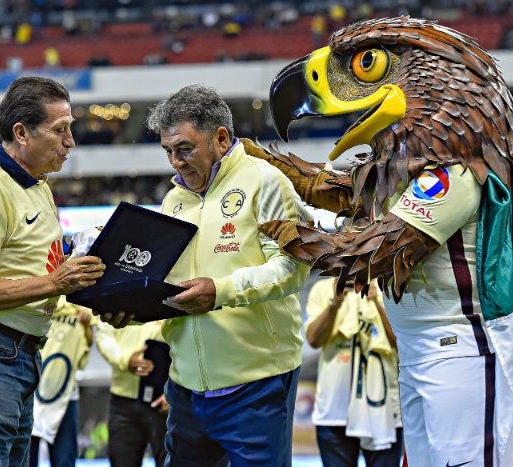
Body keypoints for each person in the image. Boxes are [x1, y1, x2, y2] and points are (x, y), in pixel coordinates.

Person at [0, 76, 112, 467]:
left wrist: (82, 252)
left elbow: (33, 259)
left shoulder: (37, 186)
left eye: (70, 129)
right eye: (59, 130)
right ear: (21, 133)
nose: (70, 142)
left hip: (16, 350)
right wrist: (57, 281)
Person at [144, 83, 312, 467]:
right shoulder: (173, 199)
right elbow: (171, 284)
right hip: (185, 386)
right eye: (168, 151)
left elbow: (292, 267)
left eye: (184, 149)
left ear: (221, 138)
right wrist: (130, 307)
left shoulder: (266, 181)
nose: (175, 162)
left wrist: (220, 292)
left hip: (257, 383)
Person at [305, 277, 403, 467]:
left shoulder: (389, 285)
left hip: (383, 412)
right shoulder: (323, 288)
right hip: (334, 411)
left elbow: (403, 342)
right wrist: (335, 302)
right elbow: (313, 339)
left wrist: (377, 303)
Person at [30, 296, 97, 467]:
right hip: (32, 389)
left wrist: (86, 326)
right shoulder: (44, 296)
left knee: (65, 459)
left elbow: (84, 352)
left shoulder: (82, 307)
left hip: (65, 393)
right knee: (26, 457)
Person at [95, 320, 170, 467]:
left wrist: (175, 389)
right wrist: (126, 359)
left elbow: (183, 343)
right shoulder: (116, 299)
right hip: (123, 403)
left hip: (164, 403)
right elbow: (104, 336)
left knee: (169, 463)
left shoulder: (166, 298)